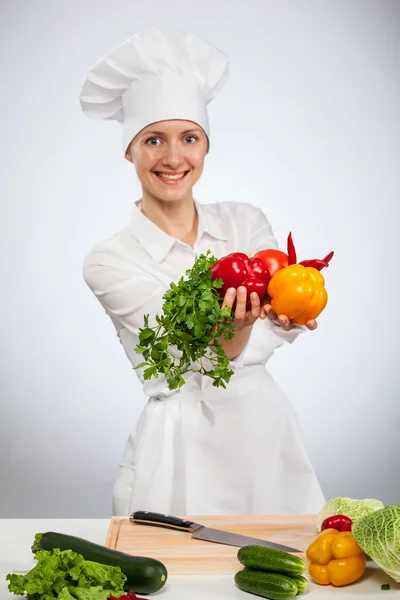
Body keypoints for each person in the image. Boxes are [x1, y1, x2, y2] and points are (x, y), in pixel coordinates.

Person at [80, 27, 325, 516]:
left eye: (189, 138)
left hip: (266, 434)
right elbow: (183, 358)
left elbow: (280, 317)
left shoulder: (244, 221)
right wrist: (245, 327)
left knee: (292, 576)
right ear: (129, 150)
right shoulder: (109, 260)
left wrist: (282, 317)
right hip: (179, 448)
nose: (173, 158)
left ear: (206, 146)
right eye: (153, 140)